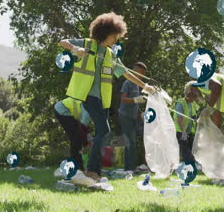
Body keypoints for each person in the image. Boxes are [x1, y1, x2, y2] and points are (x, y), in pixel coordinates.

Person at [59, 12, 156, 181]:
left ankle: (94, 171)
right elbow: (62, 42)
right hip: (86, 95)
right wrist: (76, 49)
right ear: (106, 33)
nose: (116, 40)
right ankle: (91, 170)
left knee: (102, 132)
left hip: (101, 100)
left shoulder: (111, 55)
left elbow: (126, 73)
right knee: (104, 130)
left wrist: (145, 86)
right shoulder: (87, 44)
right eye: (115, 36)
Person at [53, 97, 94, 186]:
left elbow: (84, 130)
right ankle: (77, 168)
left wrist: (86, 142)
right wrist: (86, 144)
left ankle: (77, 167)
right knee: (76, 138)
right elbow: (83, 129)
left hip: (66, 110)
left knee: (76, 138)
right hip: (62, 110)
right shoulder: (88, 112)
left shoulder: (89, 108)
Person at [118, 62, 148, 172]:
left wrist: (140, 114)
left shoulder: (137, 84)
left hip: (134, 117)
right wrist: (135, 100)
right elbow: (123, 99)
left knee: (134, 141)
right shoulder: (128, 83)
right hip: (125, 116)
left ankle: (132, 167)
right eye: (140, 73)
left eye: (143, 74)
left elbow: (136, 103)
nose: (141, 76)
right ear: (134, 70)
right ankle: (129, 168)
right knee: (130, 142)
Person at [173, 81, 200, 164]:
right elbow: (179, 117)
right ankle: (190, 164)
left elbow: (193, 116)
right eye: (194, 95)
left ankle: (191, 163)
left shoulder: (192, 104)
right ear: (189, 93)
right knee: (185, 149)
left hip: (190, 131)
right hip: (181, 131)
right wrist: (183, 131)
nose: (195, 97)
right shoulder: (180, 103)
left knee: (192, 148)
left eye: (196, 95)